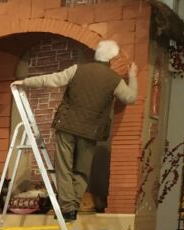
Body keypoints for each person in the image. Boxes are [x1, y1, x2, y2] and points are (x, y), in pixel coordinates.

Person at [13, 40, 138, 220]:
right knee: (82, 170)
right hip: (91, 130)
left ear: (96, 55)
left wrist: (25, 82)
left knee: (63, 166)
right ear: (111, 58)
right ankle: (73, 207)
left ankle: (67, 207)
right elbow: (130, 97)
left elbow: (51, 79)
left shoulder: (77, 70)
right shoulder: (114, 80)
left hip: (67, 125)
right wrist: (132, 76)